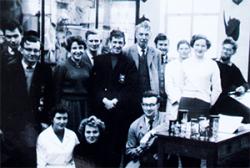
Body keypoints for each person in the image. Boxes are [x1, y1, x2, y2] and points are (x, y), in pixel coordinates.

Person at [1, 30, 54, 167]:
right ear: (21, 49)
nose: (32, 53)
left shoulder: (45, 70)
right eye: (29, 49)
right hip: (10, 123)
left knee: (30, 157)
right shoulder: (9, 69)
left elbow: (50, 98)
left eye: (36, 51)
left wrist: (46, 121)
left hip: (34, 122)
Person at [91, 29, 139, 167]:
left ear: (124, 43)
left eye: (120, 42)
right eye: (115, 42)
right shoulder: (99, 60)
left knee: (117, 147)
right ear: (109, 43)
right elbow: (94, 85)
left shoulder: (129, 62)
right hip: (102, 109)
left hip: (120, 112)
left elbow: (130, 87)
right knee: (101, 145)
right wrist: (104, 100)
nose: (117, 45)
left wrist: (116, 101)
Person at [179, 35, 222, 167]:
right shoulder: (185, 63)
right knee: (183, 138)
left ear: (207, 48)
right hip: (185, 103)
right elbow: (180, 84)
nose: (200, 48)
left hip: (202, 104)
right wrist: (184, 97)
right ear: (192, 46)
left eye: (203, 45)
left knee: (198, 140)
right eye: (197, 45)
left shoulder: (212, 64)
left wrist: (208, 104)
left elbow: (217, 89)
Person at [126, 90, 178, 168]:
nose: (148, 108)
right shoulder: (135, 125)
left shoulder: (165, 118)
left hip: (165, 160)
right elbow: (129, 150)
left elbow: (169, 125)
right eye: (145, 105)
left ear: (158, 105)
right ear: (142, 105)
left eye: (152, 105)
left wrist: (150, 134)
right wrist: (139, 149)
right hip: (144, 160)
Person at [54, 36, 92, 132]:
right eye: (74, 48)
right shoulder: (62, 66)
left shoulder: (88, 66)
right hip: (68, 105)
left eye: (80, 48)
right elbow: (56, 90)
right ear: (69, 50)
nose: (78, 51)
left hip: (84, 105)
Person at [212, 37, 250, 122]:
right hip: (208, 98)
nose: (225, 51)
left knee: (248, 114)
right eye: (224, 48)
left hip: (222, 100)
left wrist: (242, 88)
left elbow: (245, 84)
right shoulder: (212, 63)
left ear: (233, 52)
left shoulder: (233, 68)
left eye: (229, 50)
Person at [124, 19, 161, 97]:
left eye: (146, 34)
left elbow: (159, 75)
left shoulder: (156, 53)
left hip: (150, 94)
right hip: (132, 94)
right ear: (136, 35)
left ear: (150, 35)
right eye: (141, 34)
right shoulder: (127, 51)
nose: (143, 37)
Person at [165, 40, 191, 121]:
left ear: (190, 50)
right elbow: (168, 84)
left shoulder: (193, 65)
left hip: (189, 100)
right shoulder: (170, 65)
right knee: (172, 124)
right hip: (174, 101)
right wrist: (177, 99)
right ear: (178, 50)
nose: (184, 51)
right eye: (181, 49)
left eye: (186, 49)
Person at [154, 33, 169, 111]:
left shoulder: (172, 62)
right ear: (156, 46)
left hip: (168, 98)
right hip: (156, 97)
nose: (163, 47)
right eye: (161, 44)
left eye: (165, 45)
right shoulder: (152, 61)